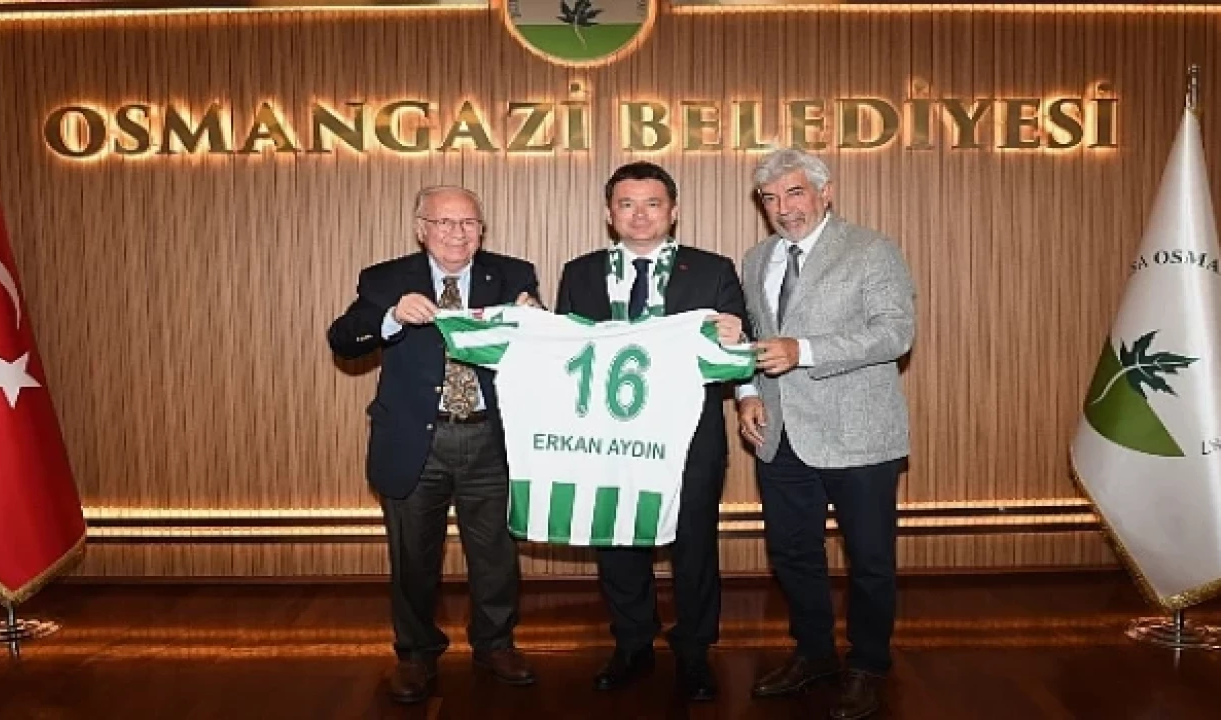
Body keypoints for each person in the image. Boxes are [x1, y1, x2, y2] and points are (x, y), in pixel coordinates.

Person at [327, 185, 539, 704]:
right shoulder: (385, 279)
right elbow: (344, 339)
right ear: (421, 229)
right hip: (413, 440)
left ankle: (495, 644)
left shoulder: (513, 275)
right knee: (413, 557)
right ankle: (416, 654)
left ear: (482, 230)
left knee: (495, 553)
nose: (457, 233)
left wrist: (535, 318)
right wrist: (391, 317)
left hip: (490, 438)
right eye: (444, 222)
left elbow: (541, 351)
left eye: (468, 223)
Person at [555, 161, 747, 702]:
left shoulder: (712, 270)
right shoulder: (580, 272)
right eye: (627, 204)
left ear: (674, 211)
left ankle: (694, 653)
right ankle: (632, 644)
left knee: (694, 547)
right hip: (608, 436)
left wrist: (734, 336)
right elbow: (565, 356)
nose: (640, 215)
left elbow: (740, 354)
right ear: (609, 214)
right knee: (617, 539)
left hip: (690, 436)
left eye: (652, 204)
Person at [737, 148, 915, 720]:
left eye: (795, 192)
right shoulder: (756, 258)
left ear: (825, 192)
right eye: (770, 198)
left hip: (859, 433)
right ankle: (813, 654)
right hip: (780, 434)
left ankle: (868, 666)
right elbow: (753, 340)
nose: (784, 208)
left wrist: (805, 350)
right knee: (792, 553)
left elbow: (895, 334)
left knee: (869, 559)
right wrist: (745, 395)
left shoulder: (871, 249)